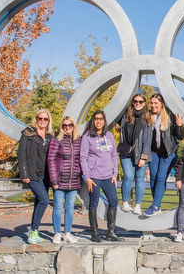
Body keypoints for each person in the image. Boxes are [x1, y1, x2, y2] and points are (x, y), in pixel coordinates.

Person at [140, 93, 184, 216]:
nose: (153, 105)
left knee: (161, 177)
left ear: (161, 104)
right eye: (151, 103)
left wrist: (179, 126)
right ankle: (157, 205)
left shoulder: (170, 115)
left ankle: (154, 205)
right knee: (153, 178)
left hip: (168, 152)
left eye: (156, 103)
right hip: (154, 152)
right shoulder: (148, 116)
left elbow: (180, 137)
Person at [80, 110, 120, 242]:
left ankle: (111, 232)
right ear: (93, 120)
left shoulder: (109, 135)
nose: (98, 121)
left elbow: (114, 155)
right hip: (94, 176)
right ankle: (94, 232)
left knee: (114, 201)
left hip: (108, 176)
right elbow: (83, 158)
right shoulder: (87, 137)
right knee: (93, 204)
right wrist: (87, 177)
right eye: (96, 119)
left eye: (101, 119)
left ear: (104, 121)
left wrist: (115, 173)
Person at [112, 93, 153, 215]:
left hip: (141, 153)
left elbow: (147, 140)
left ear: (144, 103)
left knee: (140, 179)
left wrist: (143, 157)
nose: (138, 103)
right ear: (132, 102)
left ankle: (138, 206)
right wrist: (117, 127)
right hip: (126, 151)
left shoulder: (147, 118)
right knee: (128, 176)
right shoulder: (126, 115)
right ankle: (125, 202)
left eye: (140, 101)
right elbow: (112, 117)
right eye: (135, 101)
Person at [19, 109, 53, 245]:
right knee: (44, 200)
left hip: (45, 175)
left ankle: (34, 230)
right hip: (32, 174)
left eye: (45, 119)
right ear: (36, 119)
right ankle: (33, 230)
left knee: (39, 201)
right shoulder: (28, 133)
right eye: (40, 118)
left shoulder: (50, 136)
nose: (42, 121)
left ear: (48, 121)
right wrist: (24, 174)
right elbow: (21, 155)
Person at [48, 116, 83, 244]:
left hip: (73, 179)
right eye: (65, 125)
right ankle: (57, 233)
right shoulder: (57, 140)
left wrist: (80, 173)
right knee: (58, 206)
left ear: (73, 126)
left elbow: (82, 158)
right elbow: (51, 160)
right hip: (59, 179)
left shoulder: (78, 140)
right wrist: (54, 180)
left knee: (70, 207)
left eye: (70, 125)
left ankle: (67, 233)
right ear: (62, 127)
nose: (67, 127)